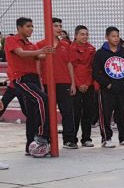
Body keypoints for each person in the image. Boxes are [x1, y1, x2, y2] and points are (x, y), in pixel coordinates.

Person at [5, 17, 54, 156]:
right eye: (28, 26)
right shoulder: (11, 40)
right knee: (42, 99)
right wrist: (39, 51)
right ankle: (42, 135)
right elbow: (20, 53)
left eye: (32, 26)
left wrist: (51, 49)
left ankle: (30, 146)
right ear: (19, 28)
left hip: (33, 79)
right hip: (21, 79)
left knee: (32, 112)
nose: (31, 29)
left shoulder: (31, 45)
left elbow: (40, 57)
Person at [93, 27, 124, 148]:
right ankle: (106, 138)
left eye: (117, 36)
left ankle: (123, 137)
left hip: (122, 88)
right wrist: (107, 84)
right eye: (113, 36)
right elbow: (96, 73)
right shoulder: (100, 53)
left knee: (121, 113)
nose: (116, 38)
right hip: (107, 90)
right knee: (106, 114)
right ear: (107, 37)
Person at [41, 18, 77, 149]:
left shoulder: (66, 45)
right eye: (55, 25)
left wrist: (73, 83)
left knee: (67, 112)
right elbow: (38, 64)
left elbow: (69, 64)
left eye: (60, 26)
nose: (59, 28)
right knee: (48, 113)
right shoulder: (41, 45)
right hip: (47, 83)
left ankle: (69, 140)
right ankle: (47, 139)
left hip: (64, 83)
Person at [70, 25, 96, 147]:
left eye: (86, 34)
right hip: (75, 86)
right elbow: (70, 69)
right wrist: (78, 84)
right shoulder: (70, 49)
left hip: (88, 84)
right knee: (74, 113)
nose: (85, 36)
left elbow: (92, 68)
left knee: (88, 112)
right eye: (82, 34)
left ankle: (86, 138)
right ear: (75, 35)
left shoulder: (92, 49)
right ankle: (72, 138)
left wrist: (87, 83)